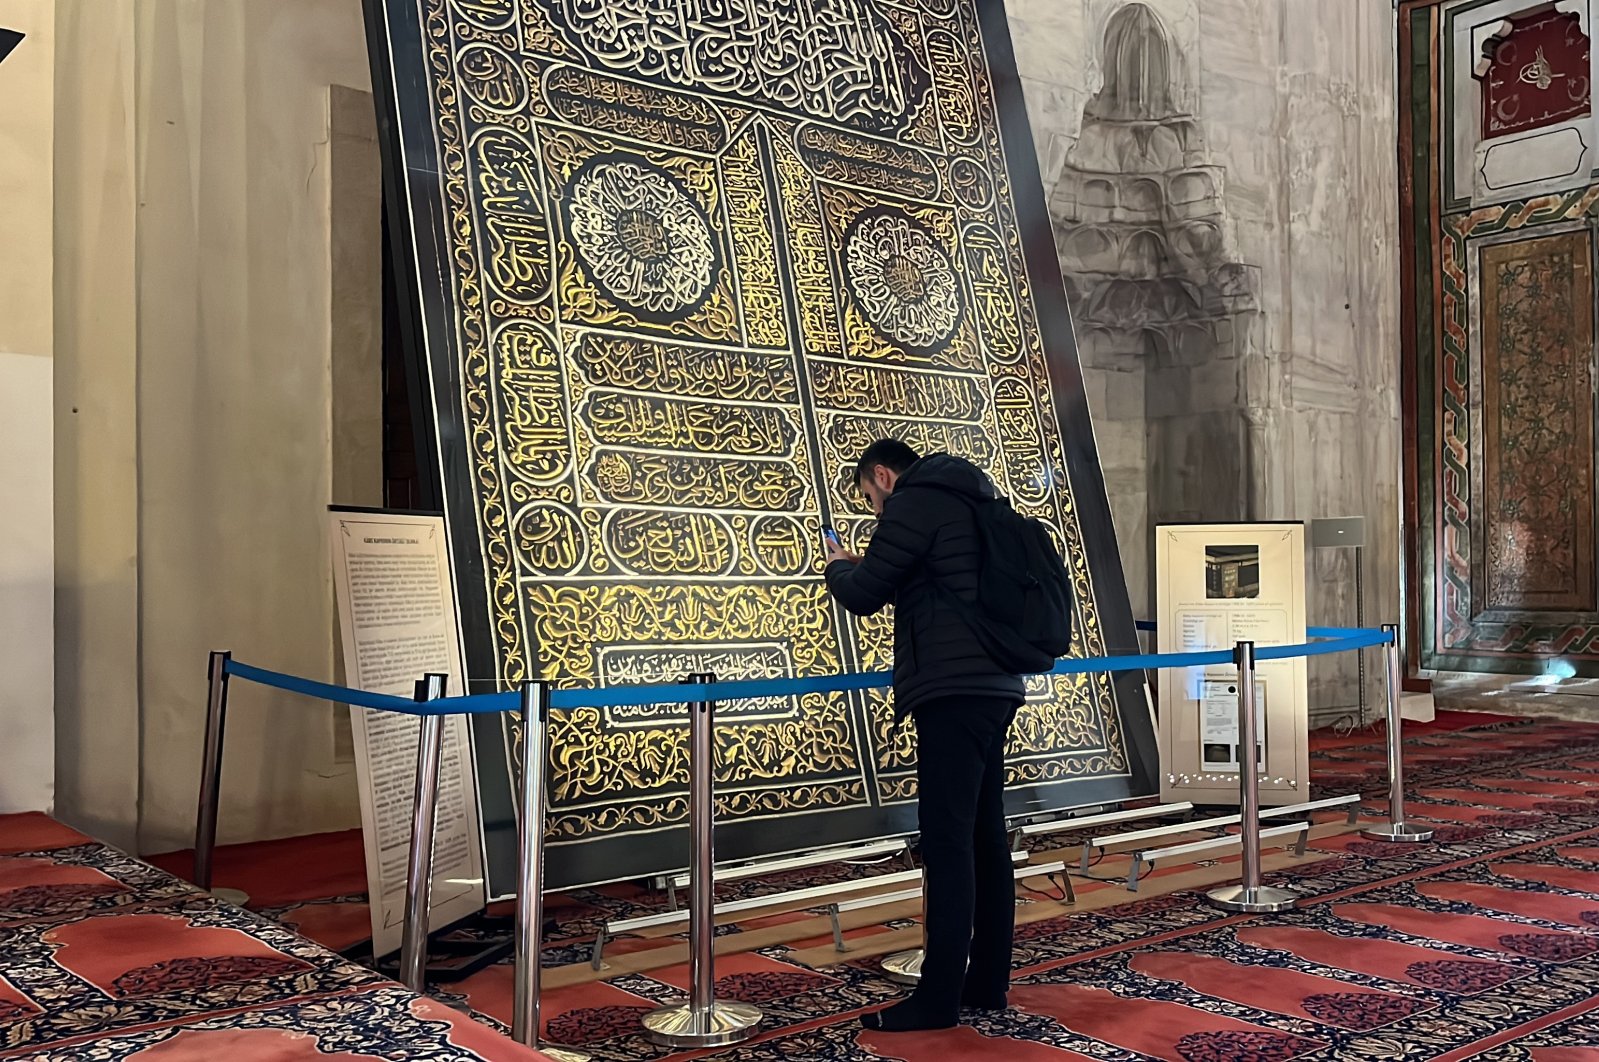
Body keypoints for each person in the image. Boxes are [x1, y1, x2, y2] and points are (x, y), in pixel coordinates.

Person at [824, 438, 1025, 1032]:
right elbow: (927, 577)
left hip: (951, 690)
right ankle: (985, 982)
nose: (876, 511)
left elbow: (863, 595)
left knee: (947, 842)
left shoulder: (913, 503)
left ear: (883, 476)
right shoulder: (974, 498)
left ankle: (937, 998)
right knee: (985, 839)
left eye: (870, 498)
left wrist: (838, 565)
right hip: (996, 683)